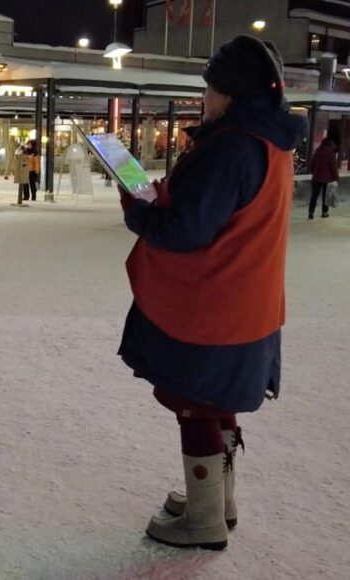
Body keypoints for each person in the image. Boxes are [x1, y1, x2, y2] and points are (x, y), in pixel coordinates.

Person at [117, 35, 307, 550]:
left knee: (196, 404)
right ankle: (217, 502)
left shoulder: (232, 146)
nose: (206, 97)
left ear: (230, 92)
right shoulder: (270, 141)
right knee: (218, 401)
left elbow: (184, 230)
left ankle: (202, 522)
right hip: (249, 301)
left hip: (210, 305)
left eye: (211, 88)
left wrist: (138, 208)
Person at [308, 137, 339, 219]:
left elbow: (312, 163)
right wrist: (336, 177)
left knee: (314, 195)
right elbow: (333, 166)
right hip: (327, 178)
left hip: (316, 177)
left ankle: (311, 212)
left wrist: (313, 172)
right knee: (326, 197)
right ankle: (324, 212)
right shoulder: (330, 152)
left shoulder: (318, 150)